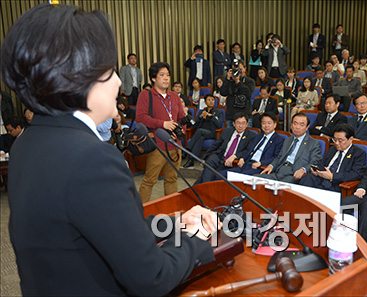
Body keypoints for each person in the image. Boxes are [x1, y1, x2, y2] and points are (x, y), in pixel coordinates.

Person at [1, 4, 220, 295]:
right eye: (109, 71)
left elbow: (105, 229)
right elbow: (151, 277)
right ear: (79, 78)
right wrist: (199, 240)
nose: (118, 81)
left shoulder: (28, 141)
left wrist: (176, 222)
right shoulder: (93, 159)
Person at [136, 62, 186, 203]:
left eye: (168, 75)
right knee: (149, 180)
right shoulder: (146, 95)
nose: (166, 78)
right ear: (153, 78)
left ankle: (171, 210)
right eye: (162, 75)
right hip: (157, 145)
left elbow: (181, 118)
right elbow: (140, 117)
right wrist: (162, 124)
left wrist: (181, 129)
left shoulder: (174, 96)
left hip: (175, 146)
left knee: (172, 179)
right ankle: (140, 212)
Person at [258, 112, 322, 184]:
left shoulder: (313, 143)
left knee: (279, 188)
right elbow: (279, 157)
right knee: (255, 179)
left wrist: (303, 170)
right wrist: (271, 165)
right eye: (295, 123)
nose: (297, 127)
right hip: (279, 171)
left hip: (294, 175)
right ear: (291, 125)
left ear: (307, 127)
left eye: (301, 124)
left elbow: (315, 162)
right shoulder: (288, 140)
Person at [300, 124, 366, 191]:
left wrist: (332, 176)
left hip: (337, 183)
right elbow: (322, 163)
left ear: (350, 139)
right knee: (306, 180)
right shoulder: (332, 149)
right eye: (334, 139)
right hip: (321, 178)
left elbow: (356, 174)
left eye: (340, 140)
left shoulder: (359, 153)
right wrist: (317, 170)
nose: (336, 143)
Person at [195, 113, 255, 184]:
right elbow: (216, 145)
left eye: (243, 123)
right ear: (233, 124)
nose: (240, 126)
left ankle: (203, 187)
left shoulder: (251, 136)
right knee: (211, 160)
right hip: (220, 157)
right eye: (238, 123)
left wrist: (237, 156)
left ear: (247, 124)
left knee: (206, 176)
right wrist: (206, 157)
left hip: (233, 162)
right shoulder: (227, 131)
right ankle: (205, 187)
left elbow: (249, 150)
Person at [183, 94, 223, 168]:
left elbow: (219, 125)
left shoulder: (218, 111)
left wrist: (211, 116)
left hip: (212, 133)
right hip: (201, 133)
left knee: (200, 131)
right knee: (200, 138)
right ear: (205, 102)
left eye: (212, 100)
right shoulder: (201, 111)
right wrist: (201, 117)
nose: (211, 101)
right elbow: (195, 124)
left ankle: (187, 149)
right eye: (209, 100)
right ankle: (191, 160)